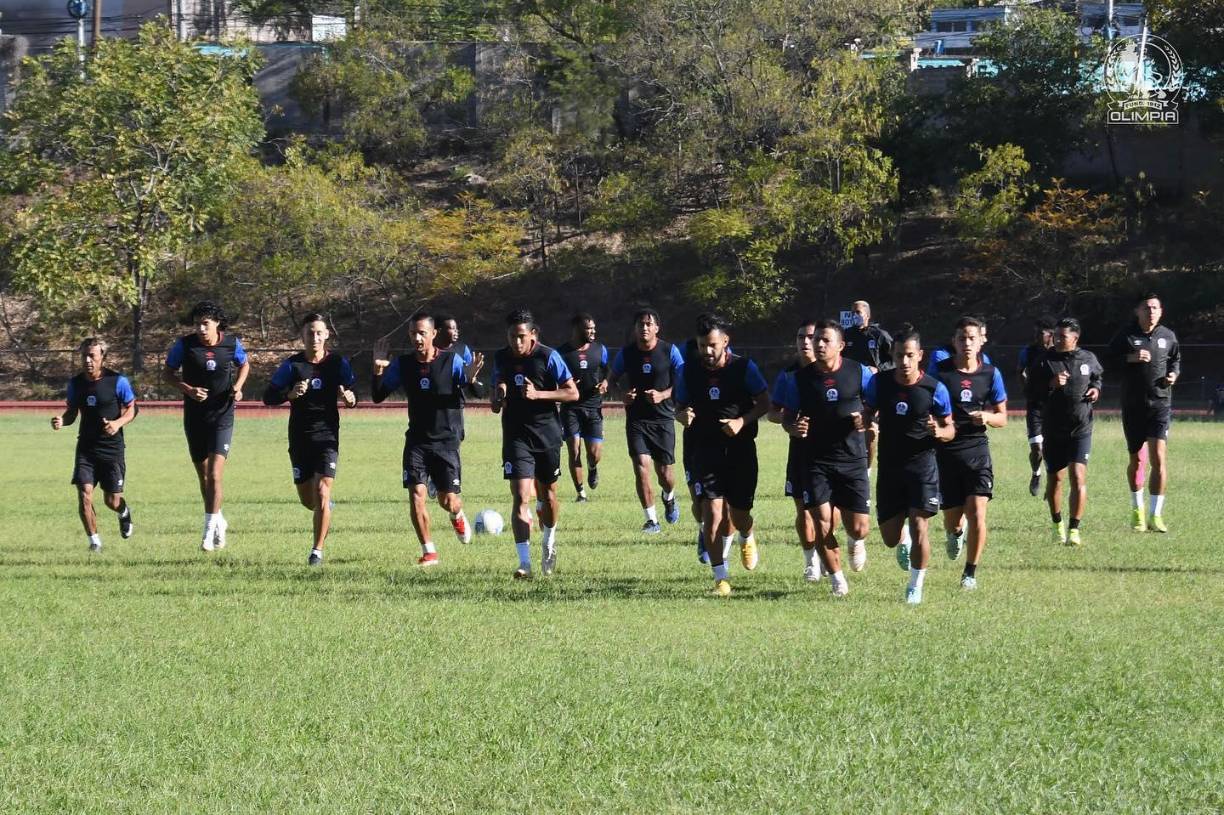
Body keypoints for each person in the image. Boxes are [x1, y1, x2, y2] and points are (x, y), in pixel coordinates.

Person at [373, 312, 483, 567]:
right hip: (417, 441)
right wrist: (377, 370)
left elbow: (476, 390)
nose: (417, 338)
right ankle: (429, 551)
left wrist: (472, 378)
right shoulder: (403, 364)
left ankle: (457, 514)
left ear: (434, 334)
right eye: (413, 333)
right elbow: (378, 395)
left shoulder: (451, 361)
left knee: (448, 501)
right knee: (416, 494)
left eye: (422, 332)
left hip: (446, 441)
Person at [774, 319, 874, 597]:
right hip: (815, 460)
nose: (818, 344)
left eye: (825, 340)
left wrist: (866, 419)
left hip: (852, 458)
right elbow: (787, 417)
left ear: (840, 345)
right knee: (822, 522)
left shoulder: (859, 372)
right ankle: (838, 581)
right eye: (816, 339)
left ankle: (856, 541)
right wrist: (793, 427)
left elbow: (874, 404)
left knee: (860, 527)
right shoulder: (799, 379)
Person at [674, 315, 770, 596]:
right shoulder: (689, 371)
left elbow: (764, 402)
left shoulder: (744, 368)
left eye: (712, 345)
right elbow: (679, 406)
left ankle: (747, 534)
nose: (707, 351)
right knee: (711, 513)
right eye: (703, 345)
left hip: (740, 450)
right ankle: (721, 577)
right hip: (704, 449)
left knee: (739, 514)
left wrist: (742, 421)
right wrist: (682, 415)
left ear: (725, 342)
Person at [863, 327, 955, 605]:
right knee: (890, 538)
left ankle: (915, 586)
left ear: (920, 356)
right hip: (890, 468)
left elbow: (950, 428)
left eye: (910, 356)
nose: (904, 362)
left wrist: (939, 432)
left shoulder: (934, 388)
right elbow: (867, 412)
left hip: (923, 467)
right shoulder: (879, 383)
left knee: (920, 526)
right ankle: (901, 540)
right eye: (900, 355)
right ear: (893, 354)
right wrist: (866, 421)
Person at [263, 314, 358, 566]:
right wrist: (290, 394)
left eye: (318, 333)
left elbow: (351, 393)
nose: (314, 337)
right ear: (302, 337)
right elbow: (268, 397)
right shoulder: (292, 366)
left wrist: (350, 399)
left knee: (322, 491)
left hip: (327, 437)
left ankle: (316, 551)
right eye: (309, 333)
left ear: (327, 335)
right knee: (309, 500)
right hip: (300, 438)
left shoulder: (338, 364)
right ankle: (324, 508)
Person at [491, 308, 579, 579]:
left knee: (549, 496)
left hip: (548, 435)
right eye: (511, 337)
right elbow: (496, 398)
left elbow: (572, 392)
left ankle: (549, 540)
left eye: (521, 337)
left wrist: (538, 394)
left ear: (533, 335)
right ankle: (524, 564)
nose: (516, 343)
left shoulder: (548, 356)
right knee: (521, 496)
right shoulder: (501, 357)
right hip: (516, 436)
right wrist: (498, 396)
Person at [164, 300, 249, 551]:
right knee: (203, 477)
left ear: (217, 324)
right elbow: (167, 373)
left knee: (214, 474)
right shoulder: (185, 346)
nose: (201, 329)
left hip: (222, 416)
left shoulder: (231, 344)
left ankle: (208, 530)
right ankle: (219, 519)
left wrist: (238, 388)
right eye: (197, 324)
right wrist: (187, 389)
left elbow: (244, 364)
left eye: (205, 324)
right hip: (194, 417)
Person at [931, 317, 1007, 590]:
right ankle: (955, 533)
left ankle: (970, 573)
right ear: (954, 341)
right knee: (953, 518)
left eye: (971, 338)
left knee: (977, 511)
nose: (966, 343)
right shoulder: (940, 372)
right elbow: (927, 404)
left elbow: (1003, 417)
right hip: (946, 452)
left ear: (980, 341)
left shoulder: (991, 373)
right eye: (962, 338)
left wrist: (987, 416)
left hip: (977, 451)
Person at [51, 338, 136, 552]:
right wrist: (62, 420)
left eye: (92, 356)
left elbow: (132, 409)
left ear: (102, 358)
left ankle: (123, 512)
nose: (88, 360)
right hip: (86, 448)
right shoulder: (76, 383)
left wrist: (117, 423)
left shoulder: (118, 381)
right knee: (84, 493)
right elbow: (71, 412)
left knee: (111, 500)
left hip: (111, 449)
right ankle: (94, 542)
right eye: (84, 356)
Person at [1109, 294, 1180, 533]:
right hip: (1133, 405)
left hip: (1160, 404)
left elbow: (1175, 360)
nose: (1151, 312)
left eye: (1155, 308)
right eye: (1147, 308)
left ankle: (1156, 514)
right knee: (1137, 460)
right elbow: (1106, 363)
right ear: (1137, 311)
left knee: (1158, 458)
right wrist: (1130, 358)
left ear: (1161, 312)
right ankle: (1137, 510)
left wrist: (1173, 375)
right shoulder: (1126, 336)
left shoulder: (1168, 336)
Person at [611, 308, 686, 534]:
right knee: (641, 468)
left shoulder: (670, 351)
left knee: (665, 474)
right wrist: (622, 395)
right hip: (636, 420)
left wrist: (663, 395)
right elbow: (611, 380)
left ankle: (669, 497)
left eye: (648, 324)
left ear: (656, 328)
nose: (644, 328)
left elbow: (684, 381)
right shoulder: (626, 354)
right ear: (635, 329)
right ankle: (651, 520)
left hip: (663, 419)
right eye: (640, 324)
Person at [1035, 318, 1103, 546]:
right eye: (1055, 335)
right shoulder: (1045, 361)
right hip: (1053, 429)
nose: (1056, 339)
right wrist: (1051, 384)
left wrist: (1095, 389)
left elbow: (1097, 378)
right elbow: (1031, 392)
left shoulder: (1088, 359)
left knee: (1078, 476)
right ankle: (1057, 525)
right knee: (1056, 479)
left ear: (1075, 338)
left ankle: (1074, 529)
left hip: (1081, 428)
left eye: (1062, 336)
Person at [557, 313, 609, 502]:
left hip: (593, 405)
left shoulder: (600, 349)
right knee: (574, 449)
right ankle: (581, 493)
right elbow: (553, 378)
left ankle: (593, 468)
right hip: (570, 407)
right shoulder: (561, 353)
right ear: (577, 329)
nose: (593, 331)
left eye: (594, 328)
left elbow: (607, 370)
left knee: (594, 454)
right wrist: (564, 386)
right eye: (588, 328)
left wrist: (605, 382)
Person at [842, 300, 892, 476]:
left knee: (871, 429)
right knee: (847, 427)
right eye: (852, 313)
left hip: (873, 388)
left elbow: (896, 359)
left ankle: (867, 469)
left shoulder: (879, 335)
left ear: (868, 315)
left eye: (858, 312)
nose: (855, 316)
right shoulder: (845, 335)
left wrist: (879, 368)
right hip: (849, 388)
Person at [1018, 317, 1056, 497]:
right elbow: (1021, 371)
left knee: (1051, 448)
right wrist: (1026, 386)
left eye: (1040, 332)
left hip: (1054, 406)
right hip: (1035, 406)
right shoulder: (1028, 351)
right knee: (1036, 449)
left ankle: (1052, 480)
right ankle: (1036, 473)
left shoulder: (1058, 352)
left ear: (1051, 334)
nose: (1036, 336)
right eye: (1035, 332)